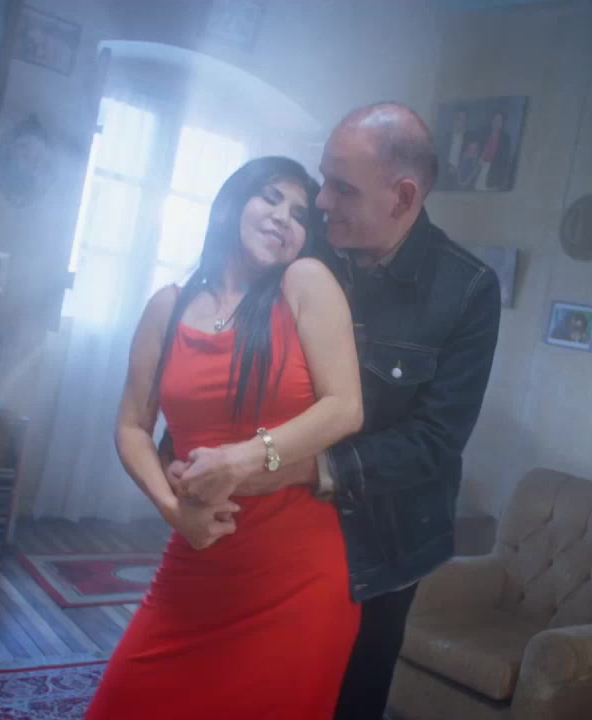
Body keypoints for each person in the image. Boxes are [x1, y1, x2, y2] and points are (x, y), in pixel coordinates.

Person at [172, 103, 503, 719]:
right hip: (265, 529)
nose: (320, 201)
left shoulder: (467, 289)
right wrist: (187, 457)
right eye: (324, 179)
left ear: (403, 197)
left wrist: (294, 467)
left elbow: (435, 442)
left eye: (342, 188)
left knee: (343, 703)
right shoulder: (305, 242)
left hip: (379, 550)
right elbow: (223, 331)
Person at [83, 156, 364, 719]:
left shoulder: (305, 283)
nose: (284, 218)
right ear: (233, 203)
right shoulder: (168, 306)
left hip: (298, 578)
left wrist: (241, 459)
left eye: (300, 214)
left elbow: (345, 408)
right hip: (198, 559)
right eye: (270, 198)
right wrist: (172, 510)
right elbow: (132, 426)